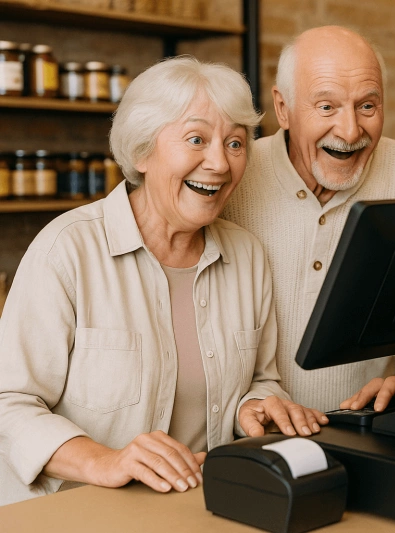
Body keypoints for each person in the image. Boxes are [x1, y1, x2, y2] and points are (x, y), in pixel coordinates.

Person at [0, 56, 327, 505]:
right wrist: (104, 461)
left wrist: (256, 405)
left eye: (235, 143)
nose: (219, 162)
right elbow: (8, 403)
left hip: (198, 507)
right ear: (141, 151)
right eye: (196, 139)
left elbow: (259, 379)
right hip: (73, 511)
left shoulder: (247, 256)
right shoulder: (67, 251)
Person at [223, 26, 395, 413]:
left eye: (367, 106)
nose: (350, 130)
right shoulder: (235, 176)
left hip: (368, 424)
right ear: (283, 108)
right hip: (251, 429)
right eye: (326, 107)